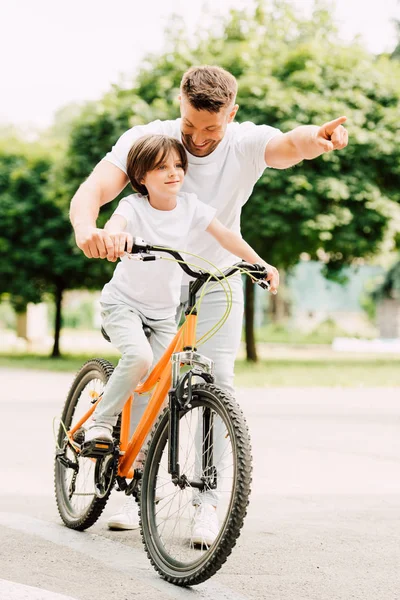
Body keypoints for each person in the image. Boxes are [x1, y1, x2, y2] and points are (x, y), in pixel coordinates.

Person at [70, 65, 348, 532]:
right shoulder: (151, 139)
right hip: (150, 279)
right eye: (189, 126)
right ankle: (130, 487)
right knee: (148, 380)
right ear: (179, 106)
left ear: (232, 114)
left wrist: (315, 139)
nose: (197, 140)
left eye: (211, 129)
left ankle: (206, 500)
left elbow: (287, 147)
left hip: (214, 276)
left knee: (216, 383)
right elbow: (97, 188)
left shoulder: (244, 141)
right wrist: (86, 229)